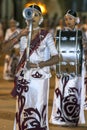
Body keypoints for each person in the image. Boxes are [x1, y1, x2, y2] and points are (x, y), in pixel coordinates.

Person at [1, 4, 59, 130]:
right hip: (24, 77)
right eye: (29, 14)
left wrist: (38, 64)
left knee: (37, 106)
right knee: (23, 107)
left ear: (41, 18)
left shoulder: (46, 35)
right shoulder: (20, 32)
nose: (32, 17)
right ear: (25, 16)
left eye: (36, 15)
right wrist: (19, 36)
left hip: (40, 78)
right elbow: (3, 49)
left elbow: (56, 57)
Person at [50, 10, 86, 126]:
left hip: (77, 68)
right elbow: (55, 50)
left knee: (73, 91)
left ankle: (72, 118)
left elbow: (84, 50)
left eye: (70, 19)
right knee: (62, 90)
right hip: (62, 67)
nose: (68, 21)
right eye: (66, 19)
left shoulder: (81, 33)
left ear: (76, 20)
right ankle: (60, 117)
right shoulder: (60, 33)